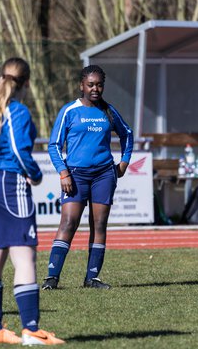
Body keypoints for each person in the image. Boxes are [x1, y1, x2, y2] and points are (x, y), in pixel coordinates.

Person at [0, 57, 65, 345]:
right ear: (26, 83)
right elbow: (18, 149)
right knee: (24, 256)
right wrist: (36, 175)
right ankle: (31, 330)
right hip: (8, 184)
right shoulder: (17, 111)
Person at [42, 65, 133, 290]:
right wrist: (64, 172)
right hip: (75, 175)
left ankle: (92, 278)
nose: (95, 89)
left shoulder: (108, 111)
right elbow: (53, 145)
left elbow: (127, 135)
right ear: (81, 85)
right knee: (68, 222)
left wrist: (123, 162)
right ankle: (52, 278)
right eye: (90, 84)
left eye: (99, 84)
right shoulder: (69, 111)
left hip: (104, 174)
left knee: (99, 224)